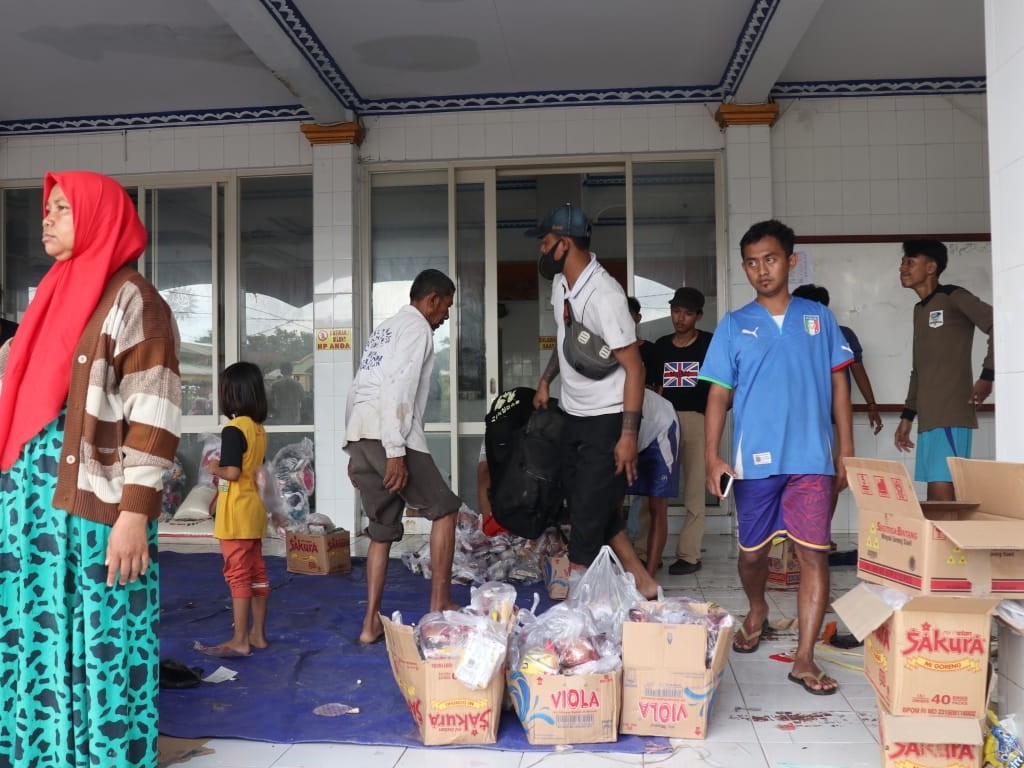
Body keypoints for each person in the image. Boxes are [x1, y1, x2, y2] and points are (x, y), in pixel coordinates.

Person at [0, 170, 181, 766]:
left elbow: (154, 415)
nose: (45, 218)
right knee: (37, 635)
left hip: (96, 511)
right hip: (32, 511)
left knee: (102, 638)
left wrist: (135, 513)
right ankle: (43, 753)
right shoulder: (50, 295)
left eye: (60, 208)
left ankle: (102, 756)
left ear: (98, 216)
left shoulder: (135, 302)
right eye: (46, 209)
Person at [700, 219, 852, 696]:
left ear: (790, 260)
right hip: (755, 462)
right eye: (751, 262)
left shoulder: (818, 318)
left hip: (811, 457)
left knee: (814, 555)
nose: (761, 270)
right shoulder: (734, 324)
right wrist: (711, 456)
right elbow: (719, 396)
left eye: (769, 259)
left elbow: (839, 384)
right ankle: (758, 607)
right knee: (753, 556)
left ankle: (804, 659)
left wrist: (846, 450)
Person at [529, 203, 658, 599]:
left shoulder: (605, 295)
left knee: (586, 517)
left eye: (546, 242)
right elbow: (568, 337)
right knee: (589, 504)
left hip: (608, 418)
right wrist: (546, 380)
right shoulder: (561, 285)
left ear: (564, 245)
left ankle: (580, 610)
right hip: (574, 414)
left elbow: (635, 368)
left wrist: (627, 436)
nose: (542, 250)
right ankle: (644, 582)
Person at [344, 269, 462, 645]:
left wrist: (353, 449)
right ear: (432, 300)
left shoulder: (385, 329)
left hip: (363, 434)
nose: (445, 316)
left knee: (381, 532)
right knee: (445, 509)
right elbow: (398, 387)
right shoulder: (416, 329)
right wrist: (395, 452)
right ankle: (441, 602)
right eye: (446, 307)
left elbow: (360, 386)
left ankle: (369, 624)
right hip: (390, 436)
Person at [896, 239, 994, 501]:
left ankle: (952, 544)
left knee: (943, 494)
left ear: (931, 267)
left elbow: (998, 325)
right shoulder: (919, 310)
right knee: (936, 493)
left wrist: (988, 376)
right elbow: (919, 368)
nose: (902, 268)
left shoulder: (953, 296)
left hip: (951, 413)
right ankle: (946, 544)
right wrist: (907, 416)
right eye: (903, 262)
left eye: (909, 262)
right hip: (928, 417)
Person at [792, 283, 883, 547]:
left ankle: (819, 533)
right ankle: (808, 535)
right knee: (809, 477)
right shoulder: (791, 335)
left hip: (829, 419)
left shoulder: (840, 333)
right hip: (802, 418)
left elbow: (857, 370)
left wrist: (872, 405)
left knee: (824, 478)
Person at [200, 362, 270, 658]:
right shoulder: (258, 430)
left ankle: (239, 639)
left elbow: (231, 472)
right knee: (256, 572)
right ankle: (258, 635)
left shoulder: (232, 429)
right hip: (253, 509)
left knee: (238, 575)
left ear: (231, 394)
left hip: (236, 514)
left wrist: (213, 466)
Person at [652, 286, 713, 575]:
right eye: (676, 311)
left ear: (698, 316)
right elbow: (652, 388)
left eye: (688, 313)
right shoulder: (661, 345)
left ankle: (689, 554)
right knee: (654, 486)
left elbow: (722, 389)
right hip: (663, 421)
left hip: (697, 420)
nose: (680, 318)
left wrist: (713, 419)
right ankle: (645, 551)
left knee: (694, 490)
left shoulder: (710, 345)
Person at [626, 389, 681, 578]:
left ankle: (649, 577)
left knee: (657, 504)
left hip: (661, 428)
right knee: (611, 502)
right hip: (632, 435)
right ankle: (622, 569)